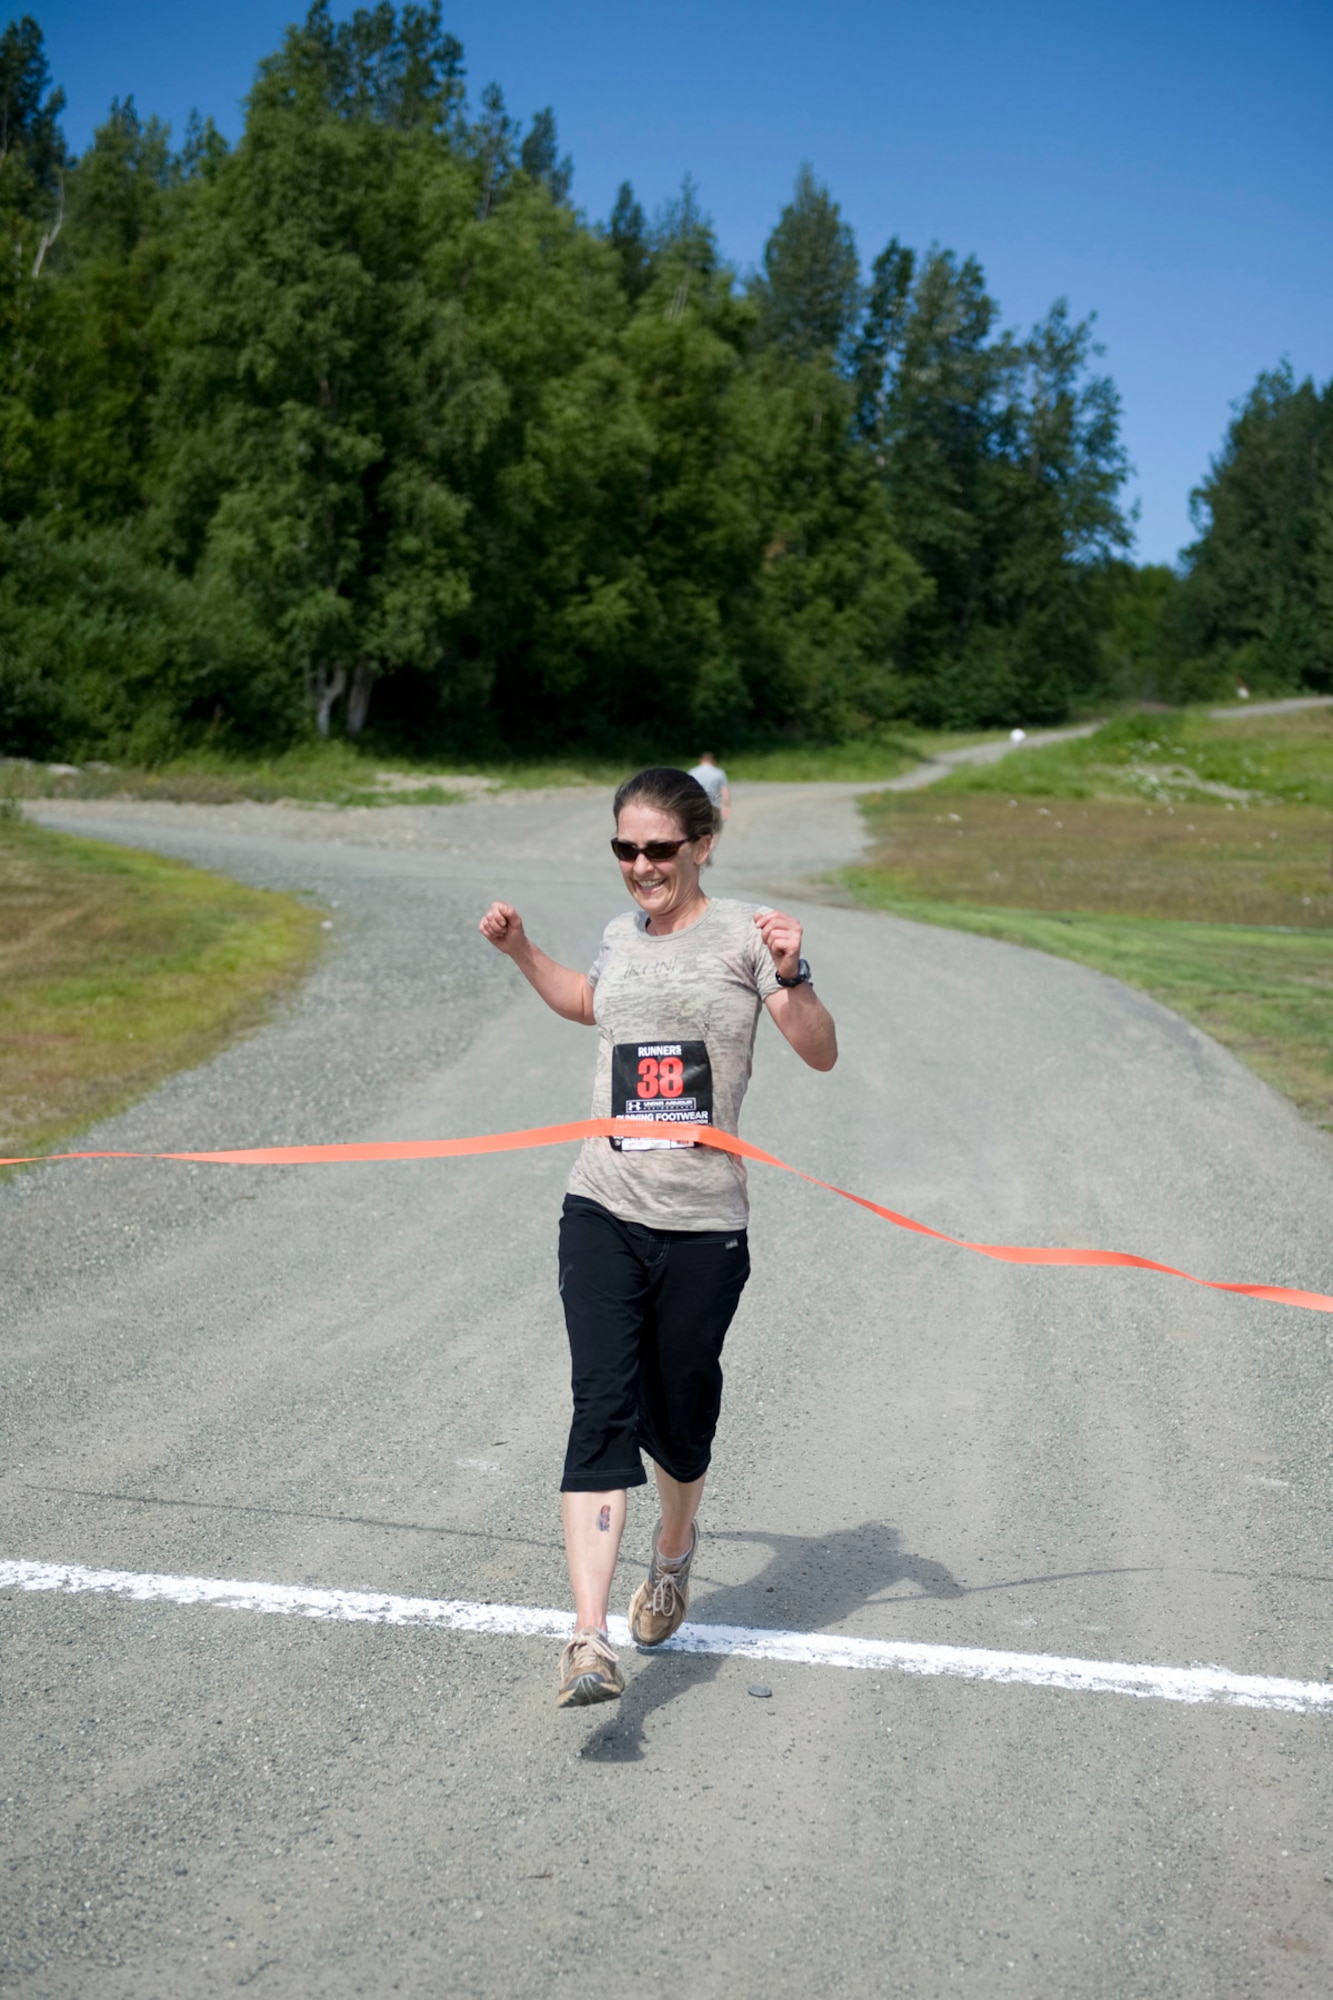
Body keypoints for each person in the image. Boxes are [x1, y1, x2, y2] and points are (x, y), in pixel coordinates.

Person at [478, 766, 837, 1707]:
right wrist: (522, 951)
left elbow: (817, 1046)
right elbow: (590, 1005)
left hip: (703, 1226)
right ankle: (587, 1641)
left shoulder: (745, 936)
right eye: (625, 849)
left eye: (659, 849)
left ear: (702, 844)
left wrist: (793, 970)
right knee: (600, 1407)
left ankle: (672, 1554)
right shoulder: (617, 937)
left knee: (677, 1423)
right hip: (600, 1205)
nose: (641, 866)